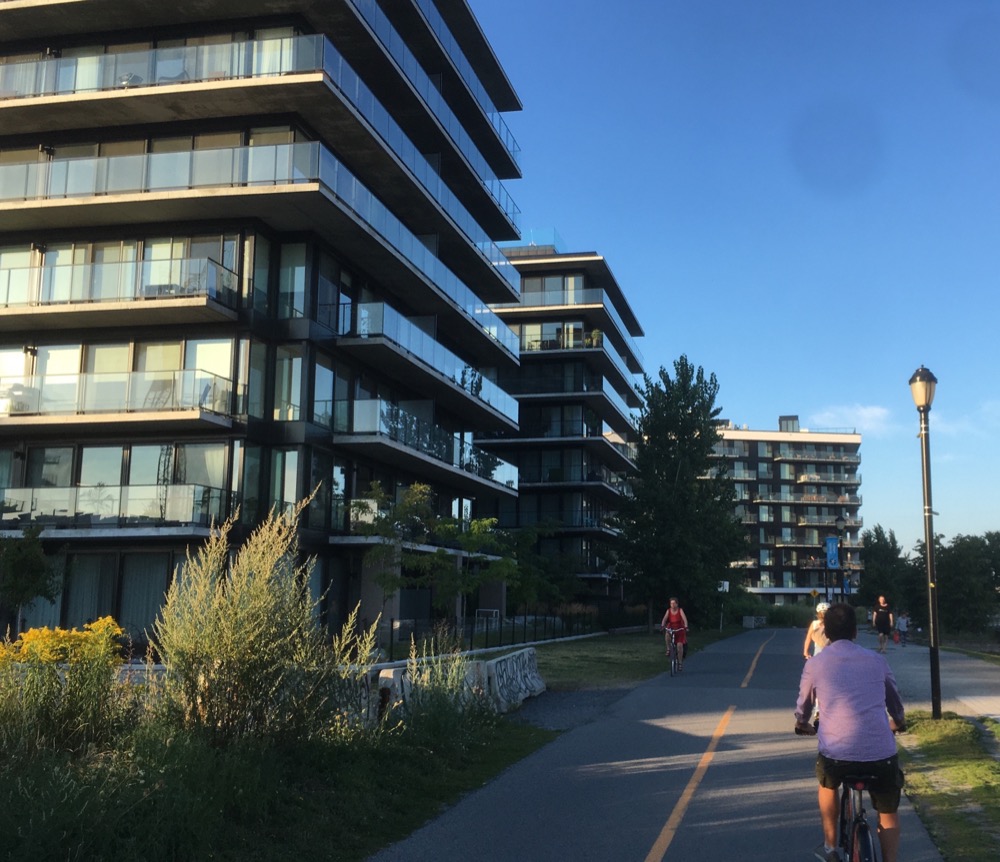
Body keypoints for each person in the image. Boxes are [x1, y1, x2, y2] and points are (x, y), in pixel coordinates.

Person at [795, 602, 906, 862]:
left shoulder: (816, 665)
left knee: (827, 783)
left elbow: (803, 705)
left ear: (827, 634)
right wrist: (898, 723)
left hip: (837, 754)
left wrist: (802, 724)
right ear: (856, 631)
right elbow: (895, 703)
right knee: (888, 812)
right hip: (881, 755)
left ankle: (830, 847)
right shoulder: (878, 661)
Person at [660, 597, 689, 671]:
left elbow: (685, 619)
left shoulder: (680, 610)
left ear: (677, 604)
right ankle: (668, 649)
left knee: (679, 646)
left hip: (679, 629)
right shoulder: (668, 611)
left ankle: (680, 663)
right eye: (671, 603)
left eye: (674, 603)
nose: (672, 605)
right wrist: (662, 625)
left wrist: (686, 626)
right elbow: (664, 619)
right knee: (667, 634)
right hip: (671, 627)